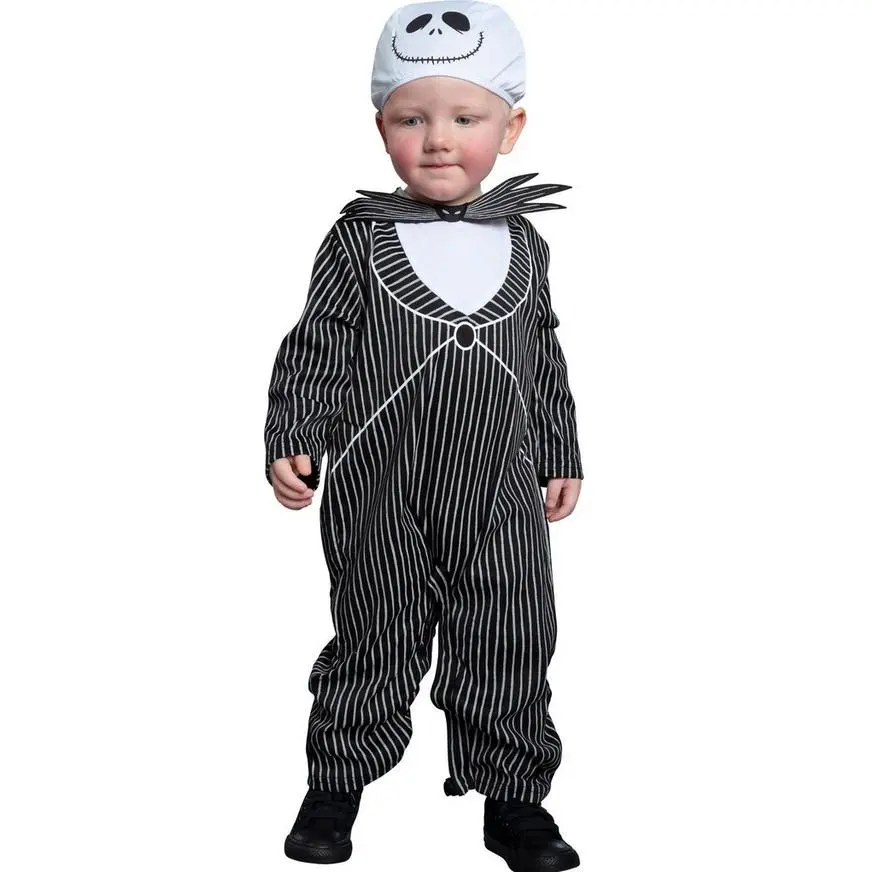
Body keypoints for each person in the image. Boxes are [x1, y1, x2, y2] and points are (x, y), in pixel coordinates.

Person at [264, 3, 584, 869]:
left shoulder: (525, 242)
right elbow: (318, 344)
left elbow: (542, 351)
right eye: (411, 120)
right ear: (382, 130)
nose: (438, 140)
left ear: (510, 129)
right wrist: (296, 433)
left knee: (512, 630)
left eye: (465, 118)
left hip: (500, 485)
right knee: (375, 629)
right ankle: (335, 784)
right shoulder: (360, 239)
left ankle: (514, 800)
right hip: (383, 484)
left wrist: (560, 451)